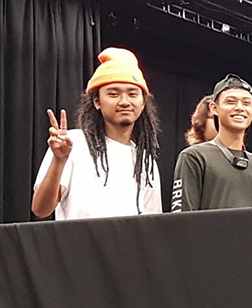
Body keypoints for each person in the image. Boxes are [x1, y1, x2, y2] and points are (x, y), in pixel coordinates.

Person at [32, 48, 163, 220]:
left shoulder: (145, 160)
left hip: (127, 247)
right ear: (97, 102)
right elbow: (40, 210)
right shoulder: (73, 144)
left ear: (143, 102)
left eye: (132, 94)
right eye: (113, 94)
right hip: (78, 247)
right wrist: (59, 160)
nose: (124, 102)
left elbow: (152, 224)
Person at [171, 74, 252, 211]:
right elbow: (182, 216)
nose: (239, 108)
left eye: (246, 103)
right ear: (214, 108)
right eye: (231, 101)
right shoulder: (194, 157)